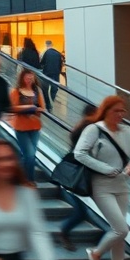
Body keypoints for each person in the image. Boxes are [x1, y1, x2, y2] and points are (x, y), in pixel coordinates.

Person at [74, 96, 130, 260]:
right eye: (116, 111)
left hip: (122, 184)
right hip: (101, 185)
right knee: (121, 229)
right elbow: (79, 153)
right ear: (106, 110)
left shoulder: (127, 131)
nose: (120, 115)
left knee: (118, 233)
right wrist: (105, 168)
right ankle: (95, 253)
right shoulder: (94, 129)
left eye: (123, 111)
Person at [56, 104, 97, 251]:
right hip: (76, 176)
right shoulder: (88, 129)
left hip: (74, 174)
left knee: (83, 210)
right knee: (81, 211)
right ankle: (64, 231)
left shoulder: (82, 128)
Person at [9, 68, 46, 180]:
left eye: (31, 77)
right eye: (27, 77)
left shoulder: (37, 91)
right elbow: (11, 108)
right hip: (21, 128)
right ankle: (29, 180)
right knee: (29, 155)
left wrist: (36, 109)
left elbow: (43, 108)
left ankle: (20, 177)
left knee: (29, 155)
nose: (29, 79)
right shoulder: (16, 91)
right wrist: (28, 108)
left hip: (35, 126)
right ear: (22, 78)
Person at [40, 41, 63, 112]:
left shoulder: (46, 52)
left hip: (47, 73)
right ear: (52, 45)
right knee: (54, 88)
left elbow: (42, 63)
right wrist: (58, 71)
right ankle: (53, 101)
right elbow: (60, 64)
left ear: (46, 45)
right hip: (56, 73)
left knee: (45, 89)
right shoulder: (58, 53)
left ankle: (48, 105)